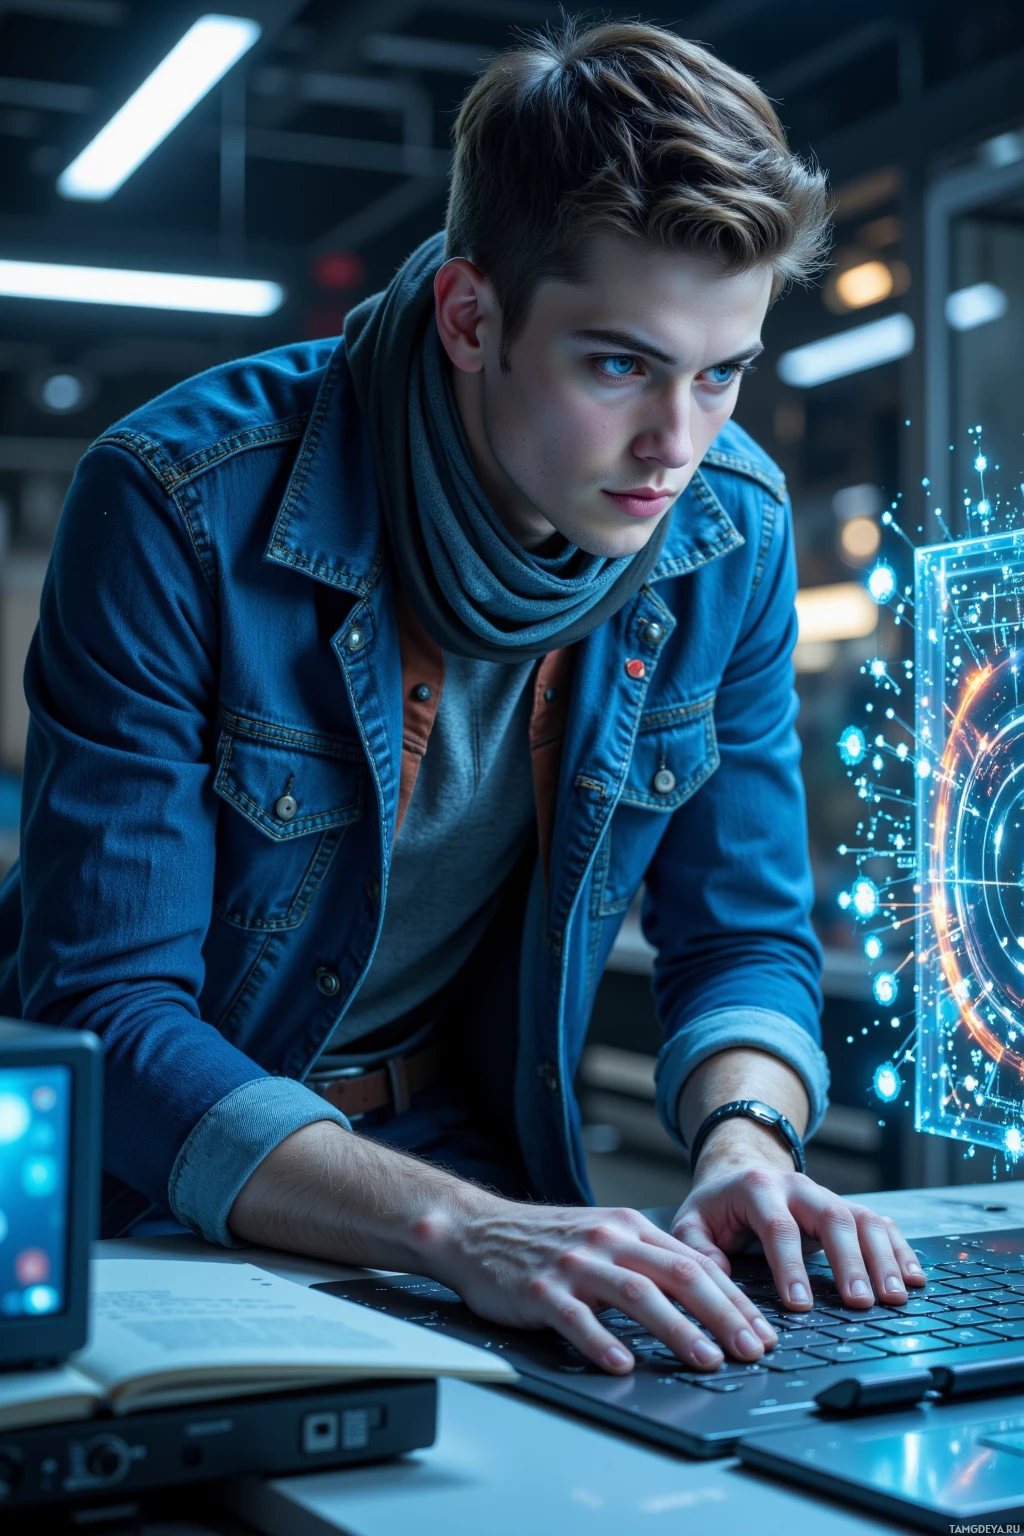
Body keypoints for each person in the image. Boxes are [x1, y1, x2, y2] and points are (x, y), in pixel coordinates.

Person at [0, 19, 924, 1377]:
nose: (678, 443)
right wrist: (467, 1231)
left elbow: (743, 935)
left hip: (464, 1169)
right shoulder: (178, 502)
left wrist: (746, 1142)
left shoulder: (729, 529)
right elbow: (112, 1014)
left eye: (721, 371)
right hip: (157, 1188)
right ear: (472, 317)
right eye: (620, 363)